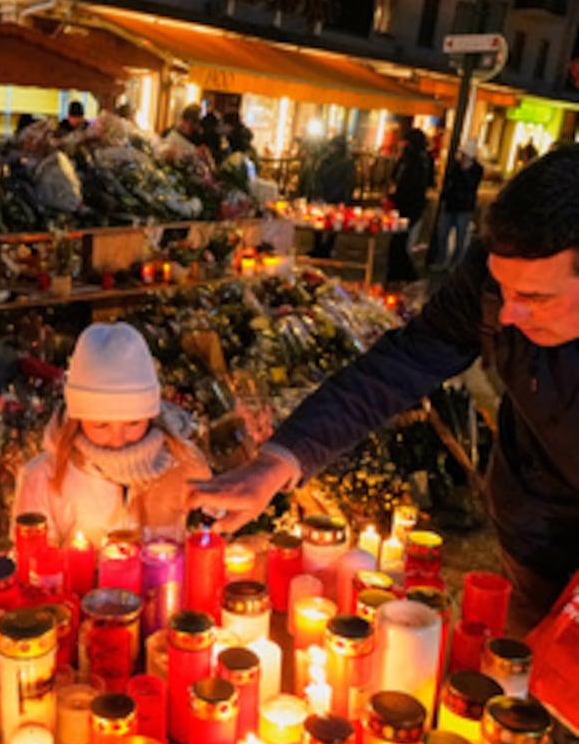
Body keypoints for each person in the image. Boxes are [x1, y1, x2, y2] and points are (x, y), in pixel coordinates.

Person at [189, 145, 579, 638]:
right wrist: (280, 462)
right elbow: (400, 364)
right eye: (504, 291)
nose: (507, 315)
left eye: (534, 298)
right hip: (536, 536)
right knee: (540, 683)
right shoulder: (492, 281)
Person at [14, 322, 211, 547]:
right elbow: (32, 564)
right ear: (77, 418)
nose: (117, 440)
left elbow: (209, 539)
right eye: (101, 425)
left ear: (152, 414)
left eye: (133, 423)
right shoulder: (44, 478)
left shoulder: (185, 463)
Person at [385, 127, 433, 284]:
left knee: (399, 241)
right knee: (399, 240)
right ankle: (398, 272)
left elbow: (410, 184)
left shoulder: (417, 161)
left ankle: (405, 273)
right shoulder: (412, 159)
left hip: (408, 206)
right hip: (407, 204)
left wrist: (395, 196)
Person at [432, 139, 484, 271]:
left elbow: (472, 186)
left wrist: (465, 172)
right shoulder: (456, 166)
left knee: (461, 237)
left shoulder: (477, 169)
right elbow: (450, 182)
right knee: (442, 233)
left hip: (464, 207)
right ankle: (442, 260)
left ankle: (456, 263)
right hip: (451, 204)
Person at [307, 134, 356, 259]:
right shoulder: (325, 160)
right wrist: (318, 192)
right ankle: (318, 246)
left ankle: (327, 248)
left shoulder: (346, 163)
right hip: (324, 195)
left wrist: (344, 198)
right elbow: (317, 177)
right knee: (318, 222)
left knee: (333, 224)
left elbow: (348, 182)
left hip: (336, 196)